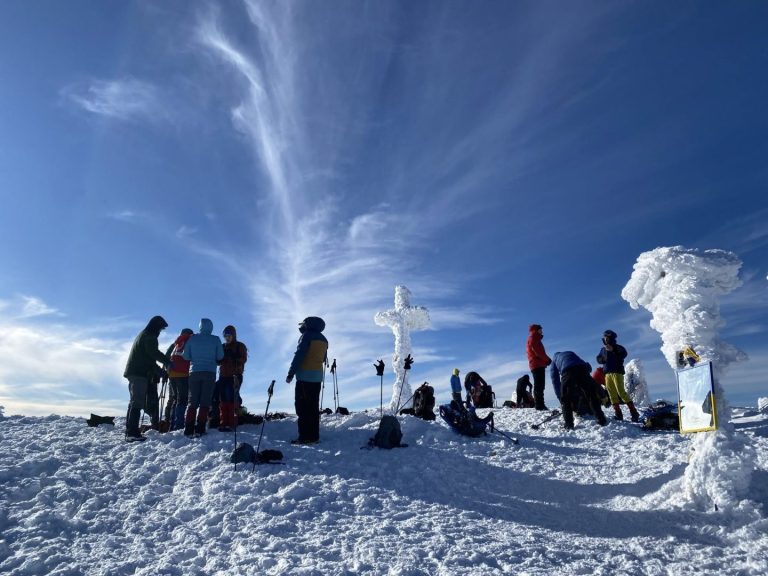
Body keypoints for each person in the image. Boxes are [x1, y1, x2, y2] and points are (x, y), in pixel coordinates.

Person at [123, 315, 169, 442]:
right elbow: (153, 354)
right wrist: (168, 362)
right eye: (161, 328)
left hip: (134, 372)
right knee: (137, 401)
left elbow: (149, 360)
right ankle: (132, 432)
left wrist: (160, 372)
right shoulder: (150, 337)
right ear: (157, 327)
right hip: (138, 373)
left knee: (134, 401)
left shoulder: (143, 335)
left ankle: (130, 430)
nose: (161, 331)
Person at [286, 316, 328, 445]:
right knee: (313, 408)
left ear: (308, 325)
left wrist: (291, 373)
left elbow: (299, 355)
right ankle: (314, 436)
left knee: (302, 408)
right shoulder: (324, 339)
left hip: (304, 376)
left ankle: (304, 437)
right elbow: (323, 359)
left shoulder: (306, 336)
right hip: (317, 377)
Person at [182, 318, 224, 436]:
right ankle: (200, 428)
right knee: (205, 401)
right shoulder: (215, 339)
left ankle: (188, 428)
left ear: (200, 326)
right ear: (211, 327)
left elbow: (185, 356)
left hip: (194, 372)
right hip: (209, 372)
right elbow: (220, 356)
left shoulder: (192, 338)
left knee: (193, 401)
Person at [550, 351, 607, 430]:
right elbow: (585, 365)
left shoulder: (554, 361)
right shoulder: (570, 353)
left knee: (566, 399)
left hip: (567, 370)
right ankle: (601, 419)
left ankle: (569, 424)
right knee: (590, 395)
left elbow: (555, 381)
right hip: (582, 368)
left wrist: (560, 397)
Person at [596, 330, 639, 422]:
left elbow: (623, 355)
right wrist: (603, 358)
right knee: (611, 394)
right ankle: (618, 414)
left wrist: (613, 351)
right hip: (607, 373)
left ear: (611, 338)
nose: (605, 339)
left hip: (617, 372)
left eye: (607, 337)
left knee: (621, 392)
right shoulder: (603, 349)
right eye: (605, 337)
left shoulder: (618, 347)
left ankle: (634, 412)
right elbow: (598, 359)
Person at [216, 325, 248, 432]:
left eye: (229, 335)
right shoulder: (222, 346)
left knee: (231, 398)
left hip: (235, 375)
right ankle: (223, 422)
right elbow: (218, 361)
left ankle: (232, 422)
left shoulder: (240, 346)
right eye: (225, 335)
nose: (227, 338)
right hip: (223, 376)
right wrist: (220, 358)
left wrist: (234, 357)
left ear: (233, 335)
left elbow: (243, 359)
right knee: (223, 398)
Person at [165, 328, 194, 431]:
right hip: (183, 374)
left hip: (172, 374)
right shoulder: (189, 342)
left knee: (175, 400)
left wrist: (167, 369)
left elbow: (166, 356)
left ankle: (172, 425)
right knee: (182, 400)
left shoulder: (176, 343)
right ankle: (179, 426)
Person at [526, 324, 552, 410]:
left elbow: (539, 352)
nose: (542, 331)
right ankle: (539, 405)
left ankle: (540, 404)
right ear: (536, 330)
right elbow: (538, 351)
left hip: (538, 364)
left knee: (540, 385)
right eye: (540, 329)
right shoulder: (533, 338)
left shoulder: (535, 338)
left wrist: (545, 360)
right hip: (536, 364)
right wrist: (547, 359)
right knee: (539, 384)